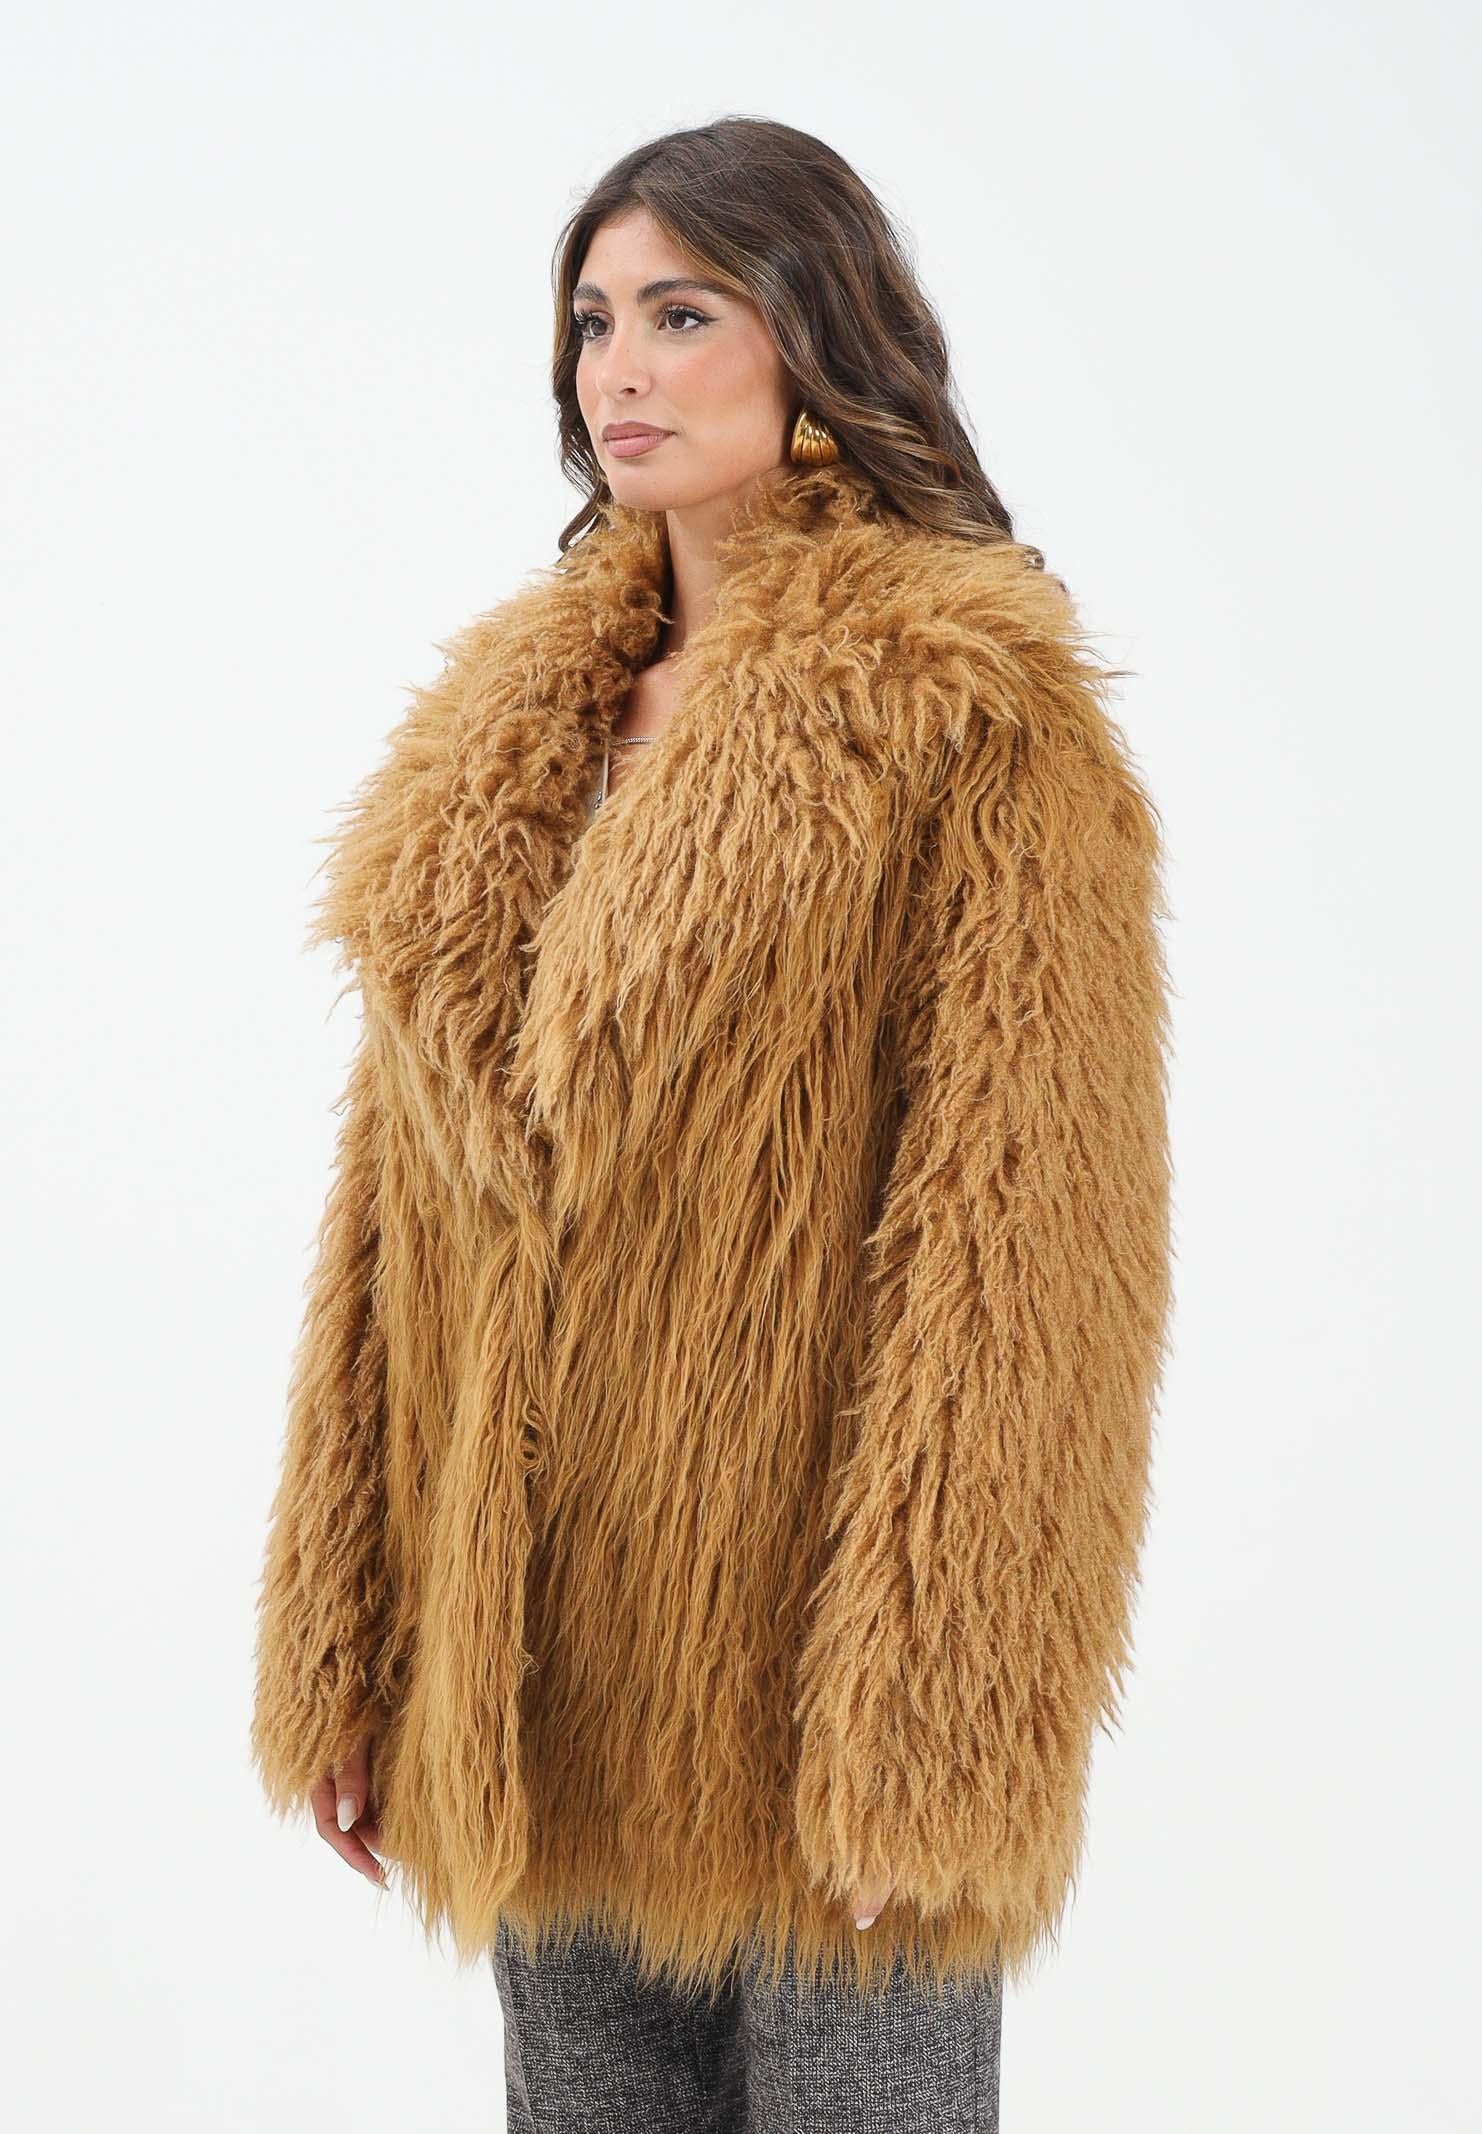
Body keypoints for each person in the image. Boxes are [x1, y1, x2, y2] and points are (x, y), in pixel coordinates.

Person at [250, 115, 1174, 2132]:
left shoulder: (965, 711)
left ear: (815, 338)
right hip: (537, 1685)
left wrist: (936, 1719)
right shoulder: (503, 735)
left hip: (816, 1694)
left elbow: (1027, 1249)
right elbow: (390, 1224)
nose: (621, 368)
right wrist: (355, 1639)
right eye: (594, 320)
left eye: (682, 313)